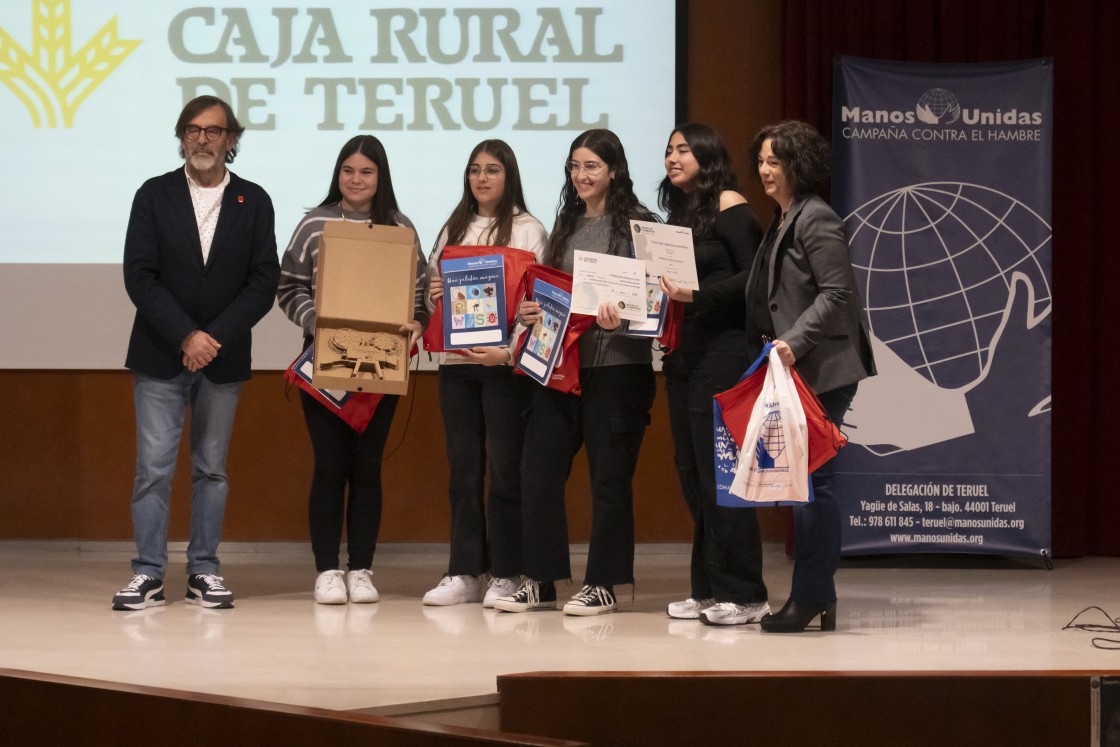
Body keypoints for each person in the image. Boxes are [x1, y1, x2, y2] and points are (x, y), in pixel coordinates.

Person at [113, 95, 280, 611]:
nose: (201, 139)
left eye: (213, 131)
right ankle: (149, 573)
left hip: (223, 359)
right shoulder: (154, 194)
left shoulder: (254, 200)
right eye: (192, 130)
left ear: (232, 140)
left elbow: (263, 280)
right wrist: (187, 335)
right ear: (181, 136)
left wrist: (213, 339)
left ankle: (204, 570)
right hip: (162, 354)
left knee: (212, 469)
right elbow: (139, 274)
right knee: (153, 470)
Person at [494, 129, 657, 617]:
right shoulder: (563, 224)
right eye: (574, 166)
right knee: (537, 471)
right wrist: (529, 311)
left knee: (609, 480)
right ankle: (540, 578)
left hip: (618, 370)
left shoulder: (640, 224)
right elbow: (550, 291)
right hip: (559, 369)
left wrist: (624, 316)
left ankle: (603, 582)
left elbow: (656, 299)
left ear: (614, 171)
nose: (580, 176)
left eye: (591, 166)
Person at [276, 135, 428, 605]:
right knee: (328, 467)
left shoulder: (401, 228)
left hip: (383, 366)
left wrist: (418, 324)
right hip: (326, 362)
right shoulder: (313, 224)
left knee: (366, 470)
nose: (355, 180)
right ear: (337, 174)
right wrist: (315, 321)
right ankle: (326, 571)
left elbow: (421, 296)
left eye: (366, 172)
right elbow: (287, 287)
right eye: (348, 170)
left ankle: (361, 569)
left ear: (380, 178)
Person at [744, 121, 876, 633]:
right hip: (794, 370)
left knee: (812, 484)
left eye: (775, 162)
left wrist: (793, 343)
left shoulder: (816, 217)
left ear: (799, 165)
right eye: (761, 161)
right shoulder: (784, 218)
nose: (764, 170)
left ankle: (814, 593)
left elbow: (838, 294)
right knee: (803, 483)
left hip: (822, 369)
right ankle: (817, 594)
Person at [421, 140, 548, 607]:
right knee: (463, 471)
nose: (481, 178)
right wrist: (435, 294)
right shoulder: (453, 226)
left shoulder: (529, 229)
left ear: (508, 175)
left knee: (505, 472)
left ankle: (507, 571)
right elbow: (436, 299)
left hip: (502, 367)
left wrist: (508, 352)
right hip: (456, 367)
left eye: (492, 170)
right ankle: (464, 570)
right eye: (475, 169)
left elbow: (537, 304)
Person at [656, 123, 770, 626]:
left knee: (724, 474)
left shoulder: (731, 204)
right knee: (693, 473)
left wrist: (694, 296)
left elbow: (755, 277)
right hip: (683, 354)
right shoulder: (681, 215)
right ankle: (708, 587)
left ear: (707, 153)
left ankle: (746, 593)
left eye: (683, 149)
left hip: (723, 353)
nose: (672, 157)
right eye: (668, 151)